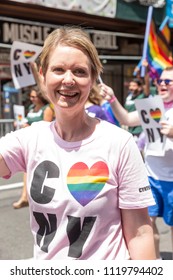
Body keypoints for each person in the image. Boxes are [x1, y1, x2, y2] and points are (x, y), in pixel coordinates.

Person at [0, 26, 156, 260]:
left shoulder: (119, 143)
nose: (68, 80)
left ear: (93, 78)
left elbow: (139, 233)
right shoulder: (29, 138)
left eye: (80, 71)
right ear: (42, 75)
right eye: (58, 69)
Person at [99, 66, 173, 259]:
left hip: (172, 181)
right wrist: (112, 99)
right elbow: (127, 119)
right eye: (160, 81)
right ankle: (156, 264)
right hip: (150, 177)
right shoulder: (152, 105)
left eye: (168, 81)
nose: (162, 85)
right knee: (147, 223)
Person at [13, 85, 54, 209]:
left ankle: (42, 197)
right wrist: (19, 124)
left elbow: (45, 128)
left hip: (43, 143)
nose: (31, 99)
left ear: (40, 97)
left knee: (44, 172)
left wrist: (29, 128)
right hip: (30, 144)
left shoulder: (47, 109)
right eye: (30, 96)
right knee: (28, 169)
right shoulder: (31, 108)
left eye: (34, 96)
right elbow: (25, 121)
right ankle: (25, 196)